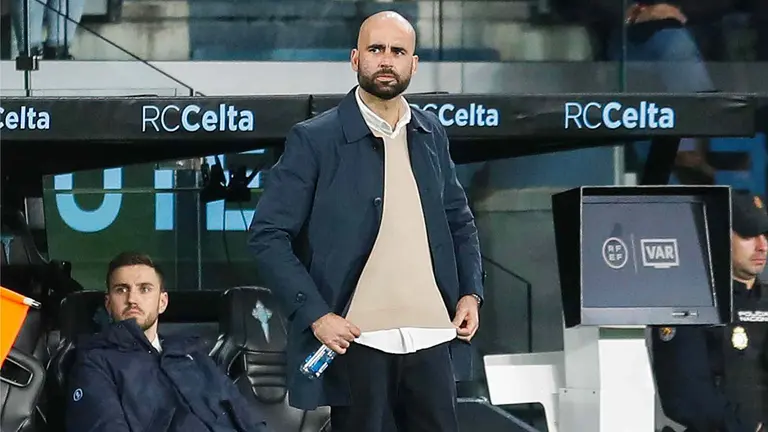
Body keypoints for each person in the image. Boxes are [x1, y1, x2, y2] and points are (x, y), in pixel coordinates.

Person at [247, 10, 484, 432]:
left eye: (398, 51)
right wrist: (317, 315)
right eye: (376, 49)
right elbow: (267, 235)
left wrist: (471, 292)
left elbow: (458, 219)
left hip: (433, 336)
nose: (387, 60)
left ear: (414, 63)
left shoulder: (431, 133)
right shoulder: (315, 139)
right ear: (355, 58)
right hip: (358, 342)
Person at [66, 251, 270, 432]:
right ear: (108, 304)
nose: (132, 299)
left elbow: (246, 418)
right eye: (121, 289)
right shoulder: (94, 362)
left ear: (162, 302)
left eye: (144, 289)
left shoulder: (192, 354)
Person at [652, 192, 768, 432]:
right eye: (748, 236)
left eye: (765, 234)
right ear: (720, 237)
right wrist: (745, 428)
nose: (762, 246)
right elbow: (686, 396)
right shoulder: (688, 304)